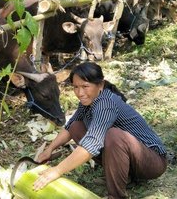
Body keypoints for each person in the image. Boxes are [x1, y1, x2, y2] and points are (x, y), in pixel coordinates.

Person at [33, 62, 167, 199]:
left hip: (153, 162)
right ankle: (125, 175)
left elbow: (92, 144)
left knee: (113, 135)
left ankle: (116, 196)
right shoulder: (88, 101)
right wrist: (49, 149)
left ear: (100, 85)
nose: (80, 93)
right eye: (76, 87)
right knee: (76, 127)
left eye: (85, 86)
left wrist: (57, 171)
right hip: (132, 157)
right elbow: (70, 126)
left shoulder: (105, 104)